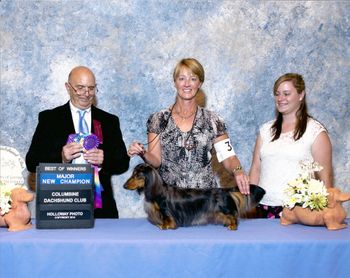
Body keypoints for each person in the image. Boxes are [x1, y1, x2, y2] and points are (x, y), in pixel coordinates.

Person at [128, 58, 250, 193]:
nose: (187, 84)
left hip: (205, 200)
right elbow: (156, 160)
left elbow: (229, 157)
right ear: (174, 82)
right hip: (171, 201)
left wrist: (238, 171)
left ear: (200, 83)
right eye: (181, 78)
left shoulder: (213, 120)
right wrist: (143, 153)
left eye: (193, 78)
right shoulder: (159, 119)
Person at [26, 66, 130, 218]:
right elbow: (32, 161)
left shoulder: (109, 121)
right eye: (80, 88)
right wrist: (61, 157)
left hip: (101, 208)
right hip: (61, 207)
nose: (86, 94)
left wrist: (104, 159)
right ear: (68, 87)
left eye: (91, 88)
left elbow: (123, 162)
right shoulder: (49, 119)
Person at [249, 73, 333, 218]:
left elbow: (326, 179)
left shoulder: (316, 132)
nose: (280, 99)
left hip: (299, 212)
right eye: (277, 94)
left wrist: (325, 214)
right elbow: (256, 169)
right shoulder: (265, 131)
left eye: (286, 94)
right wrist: (247, 205)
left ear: (301, 95)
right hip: (261, 208)